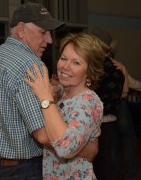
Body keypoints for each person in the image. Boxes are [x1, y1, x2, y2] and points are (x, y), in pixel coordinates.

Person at [0, 2, 65, 180]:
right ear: (22, 29)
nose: (49, 40)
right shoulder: (30, 65)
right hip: (22, 169)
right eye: (43, 32)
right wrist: (78, 148)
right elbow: (42, 135)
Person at [23, 33, 105, 179]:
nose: (65, 67)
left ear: (89, 71)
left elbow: (66, 147)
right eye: (63, 58)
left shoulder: (88, 100)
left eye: (76, 63)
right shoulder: (63, 94)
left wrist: (45, 97)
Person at [90, 27, 125, 180]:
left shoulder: (94, 67)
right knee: (105, 160)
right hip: (110, 122)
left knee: (95, 163)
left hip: (94, 121)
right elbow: (124, 93)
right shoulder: (118, 69)